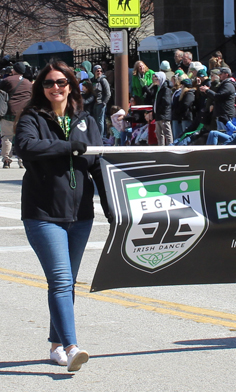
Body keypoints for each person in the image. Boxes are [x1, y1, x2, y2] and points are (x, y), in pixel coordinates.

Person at [15, 60, 110, 371]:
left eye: (61, 82)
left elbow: (98, 168)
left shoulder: (86, 121)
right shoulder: (32, 117)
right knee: (60, 279)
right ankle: (72, 347)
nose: (55, 88)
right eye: (48, 83)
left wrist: (112, 211)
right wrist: (68, 147)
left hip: (80, 215)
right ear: (41, 88)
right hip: (43, 214)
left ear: (72, 85)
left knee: (67, 283)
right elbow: (26, 147)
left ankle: (56, 344)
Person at [0, 61, 32, 168]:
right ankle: (21, 159)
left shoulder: (7, 80)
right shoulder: (28, 83)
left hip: (8, 113)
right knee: (21, 137)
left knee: (7, 137)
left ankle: (6, 160)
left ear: (14, 70)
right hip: (23, 114)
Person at [199, 67, 236, 131]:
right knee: (220, 134)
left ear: (227, 74)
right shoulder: (224, 84)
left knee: (225, 134)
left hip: (226, 115)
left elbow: (218, 97)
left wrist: (207, 90)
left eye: (221, 74)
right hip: (221, 115)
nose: (219, 75)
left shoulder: (228, 85)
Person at [150, 72, 173, 146]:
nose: (155, 80)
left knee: (167, 133)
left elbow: (166, 102)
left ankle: (170, 147)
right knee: (159, 134)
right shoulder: (158, 88)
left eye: (157, 79)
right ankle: (161, 147)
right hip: (158, 115)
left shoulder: (166, 89)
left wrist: (160, 110)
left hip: (164, 115)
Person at [91, 65, 111, 139]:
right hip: (94, 103)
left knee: (100, 121)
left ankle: (101, 137)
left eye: (100, 71)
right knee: (95, 120)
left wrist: (104, 102)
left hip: (100, 103)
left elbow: (108, 93)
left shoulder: (103, 80)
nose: (99, 72)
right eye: (97, 71)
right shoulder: (92, 80)